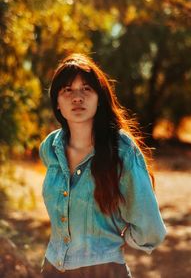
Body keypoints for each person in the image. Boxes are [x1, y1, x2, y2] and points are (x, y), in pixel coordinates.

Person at [39, 53, 167, 278]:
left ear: (100, 98)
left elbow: (151, 230)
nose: (77, 97)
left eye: (86, 88)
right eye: (67, 90)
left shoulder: (121, 149)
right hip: (52, 269)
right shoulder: (50, 148)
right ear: (57, 102)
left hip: (103, 271)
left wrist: (112, 243)